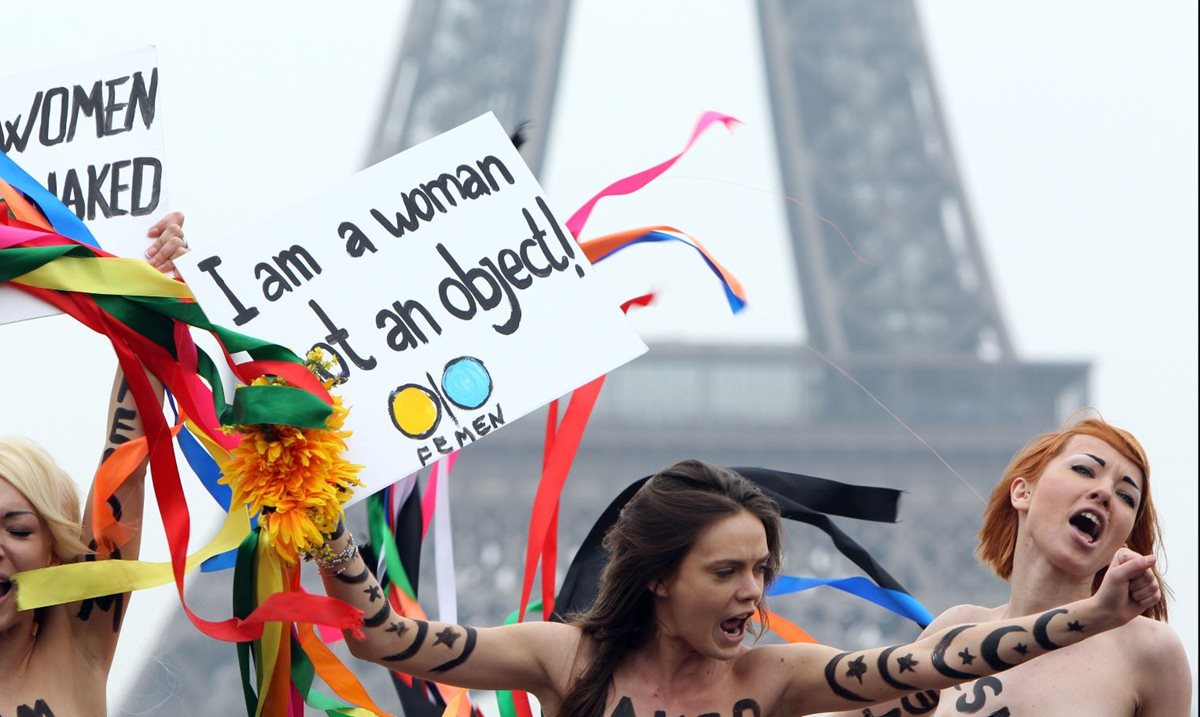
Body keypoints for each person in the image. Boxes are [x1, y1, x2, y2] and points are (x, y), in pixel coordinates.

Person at [313, 458, 1165, 717]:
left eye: (760, 570)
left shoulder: (773, 678)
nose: (753, 594)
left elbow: (935, 662)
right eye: (726, 572)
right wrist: (319, 523)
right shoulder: (563, 654)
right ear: (655, 578)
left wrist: (1087, 618)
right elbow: (387, 636)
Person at [835, 416, 1191, 716]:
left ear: (1122, 542)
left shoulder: (1150, 651)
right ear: (1022, 492)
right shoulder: (956, 628)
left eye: (1126, 496)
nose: (1104, 493)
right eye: (1084, 470)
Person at [0, 212, 187, 717]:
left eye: (17, 530)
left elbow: (128, 451)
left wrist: (149, 295)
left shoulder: (77, 643)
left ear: (57, 557)